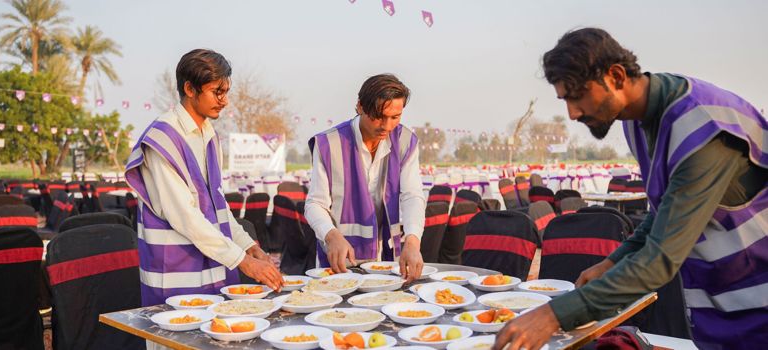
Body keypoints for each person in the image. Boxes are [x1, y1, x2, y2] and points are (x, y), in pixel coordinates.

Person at [494, 28, 767, 350]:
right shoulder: (637, 120)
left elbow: (661, 258)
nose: (572, 113)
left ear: (616, 76)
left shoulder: (701, 126)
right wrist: (612, 262)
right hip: (721, 300)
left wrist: (552, 316)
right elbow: (665, 209)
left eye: (577, 95)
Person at [125, 49, 283, 306]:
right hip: (175, 270)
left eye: (226, 92)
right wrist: (243, 262)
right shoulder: (162, 138)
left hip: (212, 263)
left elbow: (218, 205)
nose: (225, 101)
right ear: (189, 88)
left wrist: (248, 246)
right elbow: (184, 217)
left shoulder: (208, 135)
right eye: (217, 92)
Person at [304, 73, 426, 282]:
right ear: (360, 107)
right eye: (378, 116)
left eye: (395, 117)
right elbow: (315, 203)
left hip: (387, 258)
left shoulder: (406, 141)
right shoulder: (329, 144)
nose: (386, 126)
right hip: (340, 260)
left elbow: (412, 195)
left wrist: (413, 241)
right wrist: (331, 235)